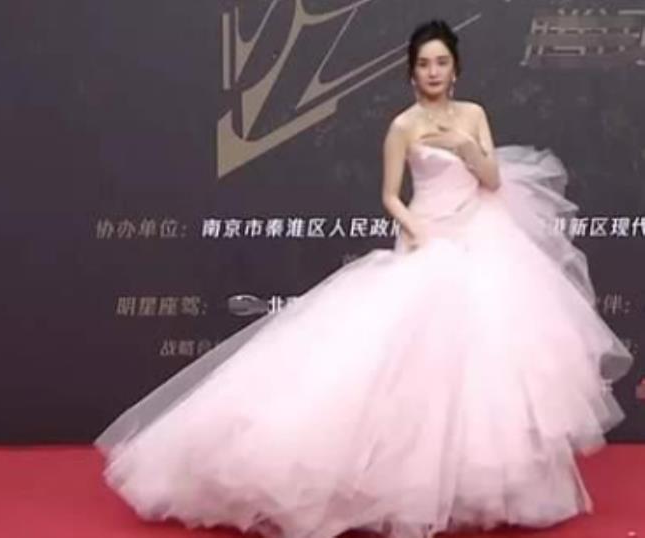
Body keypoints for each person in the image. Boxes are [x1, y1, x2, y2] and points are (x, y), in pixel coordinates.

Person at [96, 19, 632, 538]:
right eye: (424, 64)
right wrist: (416, 228)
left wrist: (466, 148)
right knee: (409, 360)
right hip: (427, 237)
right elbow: (391, 195)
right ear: (411, 72)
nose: (433, 72)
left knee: (489, 363)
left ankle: (485, 486)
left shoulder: (474, 115)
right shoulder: (403, 126)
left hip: (481, 239)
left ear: (456, 69)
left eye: (442, 62)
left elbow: (491, 179)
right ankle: (399, 484)